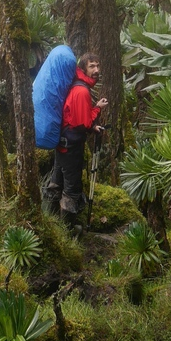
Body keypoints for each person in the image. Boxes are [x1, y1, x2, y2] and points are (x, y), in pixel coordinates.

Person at [47, 52, 108, 228]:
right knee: (71, 190)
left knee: (56, 184)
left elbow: (77, 119)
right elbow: (83, 123)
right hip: (71, 149)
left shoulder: (76, 86)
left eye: (97, 65)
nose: (96, 70)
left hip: (62, 144)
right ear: (82, 68)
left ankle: (49, 221)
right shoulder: (81, 91)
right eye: (92, 66)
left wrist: (92, 125)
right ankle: (66, 231)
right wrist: (97, 108)